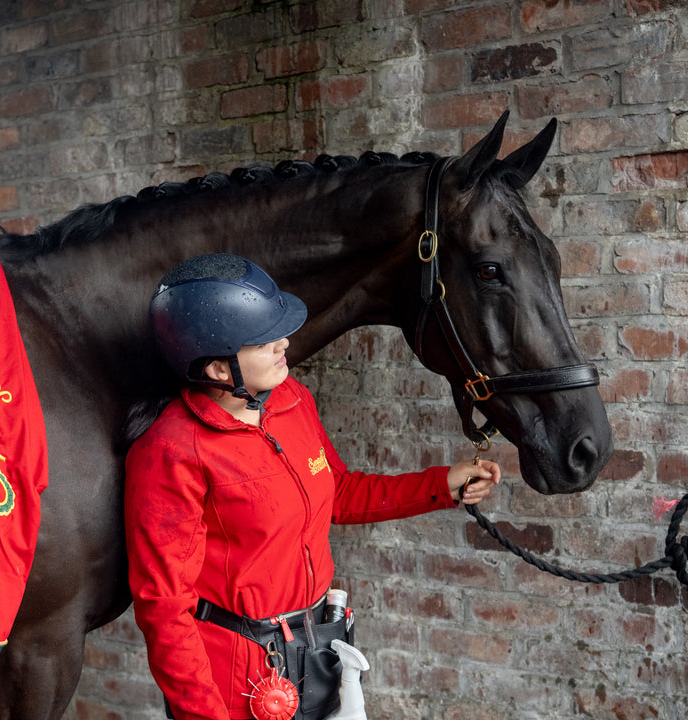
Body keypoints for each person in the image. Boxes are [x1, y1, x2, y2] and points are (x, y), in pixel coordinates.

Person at [124, 253, 500, 720]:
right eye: (264, 341)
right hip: (239, 680)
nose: (284, 342)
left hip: (320, 648)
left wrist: (440, 485)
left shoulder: (292, 401)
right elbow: (165, 608)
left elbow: (336, 493)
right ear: (219, 370)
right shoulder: (172, 451)